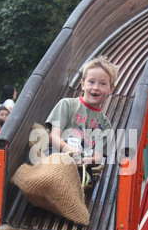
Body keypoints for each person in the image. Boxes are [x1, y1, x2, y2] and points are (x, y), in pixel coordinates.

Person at [45, 55, 118, 189]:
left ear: (110, 89)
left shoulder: (105, 124)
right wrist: (68, 149)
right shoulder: (67, 105)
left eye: (102, 84)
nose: (96, 87)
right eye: (91, 82)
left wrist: (89, 160)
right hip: (59, 155)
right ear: (83, 84)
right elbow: (53, 136)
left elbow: (98, 157)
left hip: (80, 165)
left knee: (84, 179)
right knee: (48, 159)